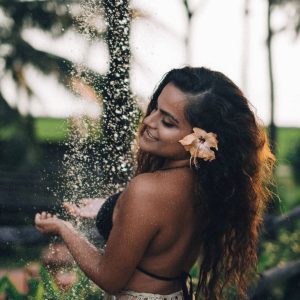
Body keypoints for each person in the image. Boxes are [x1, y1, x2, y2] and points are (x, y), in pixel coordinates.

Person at [35, 66, 275, 300]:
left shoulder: (147, 190)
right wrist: (115, 206)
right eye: (155, 108)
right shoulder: (209, 186)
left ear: (200, 141)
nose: (150, 121)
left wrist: (63, 228)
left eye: (168, 123)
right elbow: (160, 224)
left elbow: (109, 278)